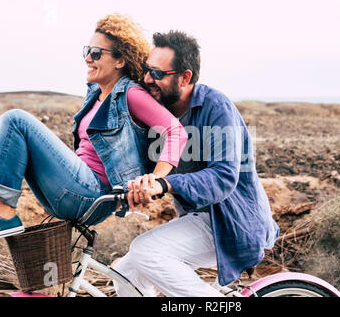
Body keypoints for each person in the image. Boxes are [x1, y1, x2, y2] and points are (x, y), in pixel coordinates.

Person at [0, 14, 187, 242]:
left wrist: (154, 180)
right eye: (86, 51)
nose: (88, 58)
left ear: (120, 61)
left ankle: (4, 215)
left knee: (15, 120)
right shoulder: (95, 95)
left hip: (93, 194)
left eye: (96, 53)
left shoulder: (130, 94)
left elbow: (175, 131)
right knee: (2, 124)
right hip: (76, 190)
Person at [112, 30, 279, 297]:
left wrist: (164, 183)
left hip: (230, 221)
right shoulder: (159, 112)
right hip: (198, 220)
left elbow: (223, 177)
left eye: (157, 74)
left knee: (147, 250)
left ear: (185, 77)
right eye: (146, 70)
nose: (146, 79)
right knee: (125, 274)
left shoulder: (215, 107)